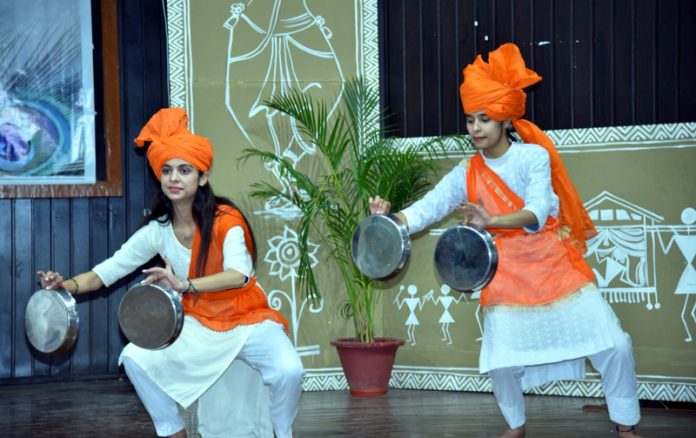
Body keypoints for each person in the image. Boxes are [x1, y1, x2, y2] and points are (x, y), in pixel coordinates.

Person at [369, 43, 641, 438]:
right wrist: (387, 221)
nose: (475, 128)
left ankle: (626, 424)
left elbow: (534, 212)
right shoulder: (467, 171)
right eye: (469, 120)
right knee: (500, 361)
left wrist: (492, 219)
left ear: (503, 118)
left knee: (614, 345)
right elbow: (426, 210)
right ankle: (515, 426)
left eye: (484, 119)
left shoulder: (533, 158)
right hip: (505, 272)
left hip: (553, 266)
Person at [37, 108, 304, 438]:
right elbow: (107, 271)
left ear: (202, 177)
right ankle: (173, 431)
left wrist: (184, 284)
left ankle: (282, 432)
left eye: (184, 170)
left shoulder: (225, 220)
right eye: (167, 171)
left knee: (289, 370)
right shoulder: (157, 231)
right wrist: (66, 285)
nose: (174, 178)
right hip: (198, 322)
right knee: (134, 357)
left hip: (248, 318)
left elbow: (240, 275)